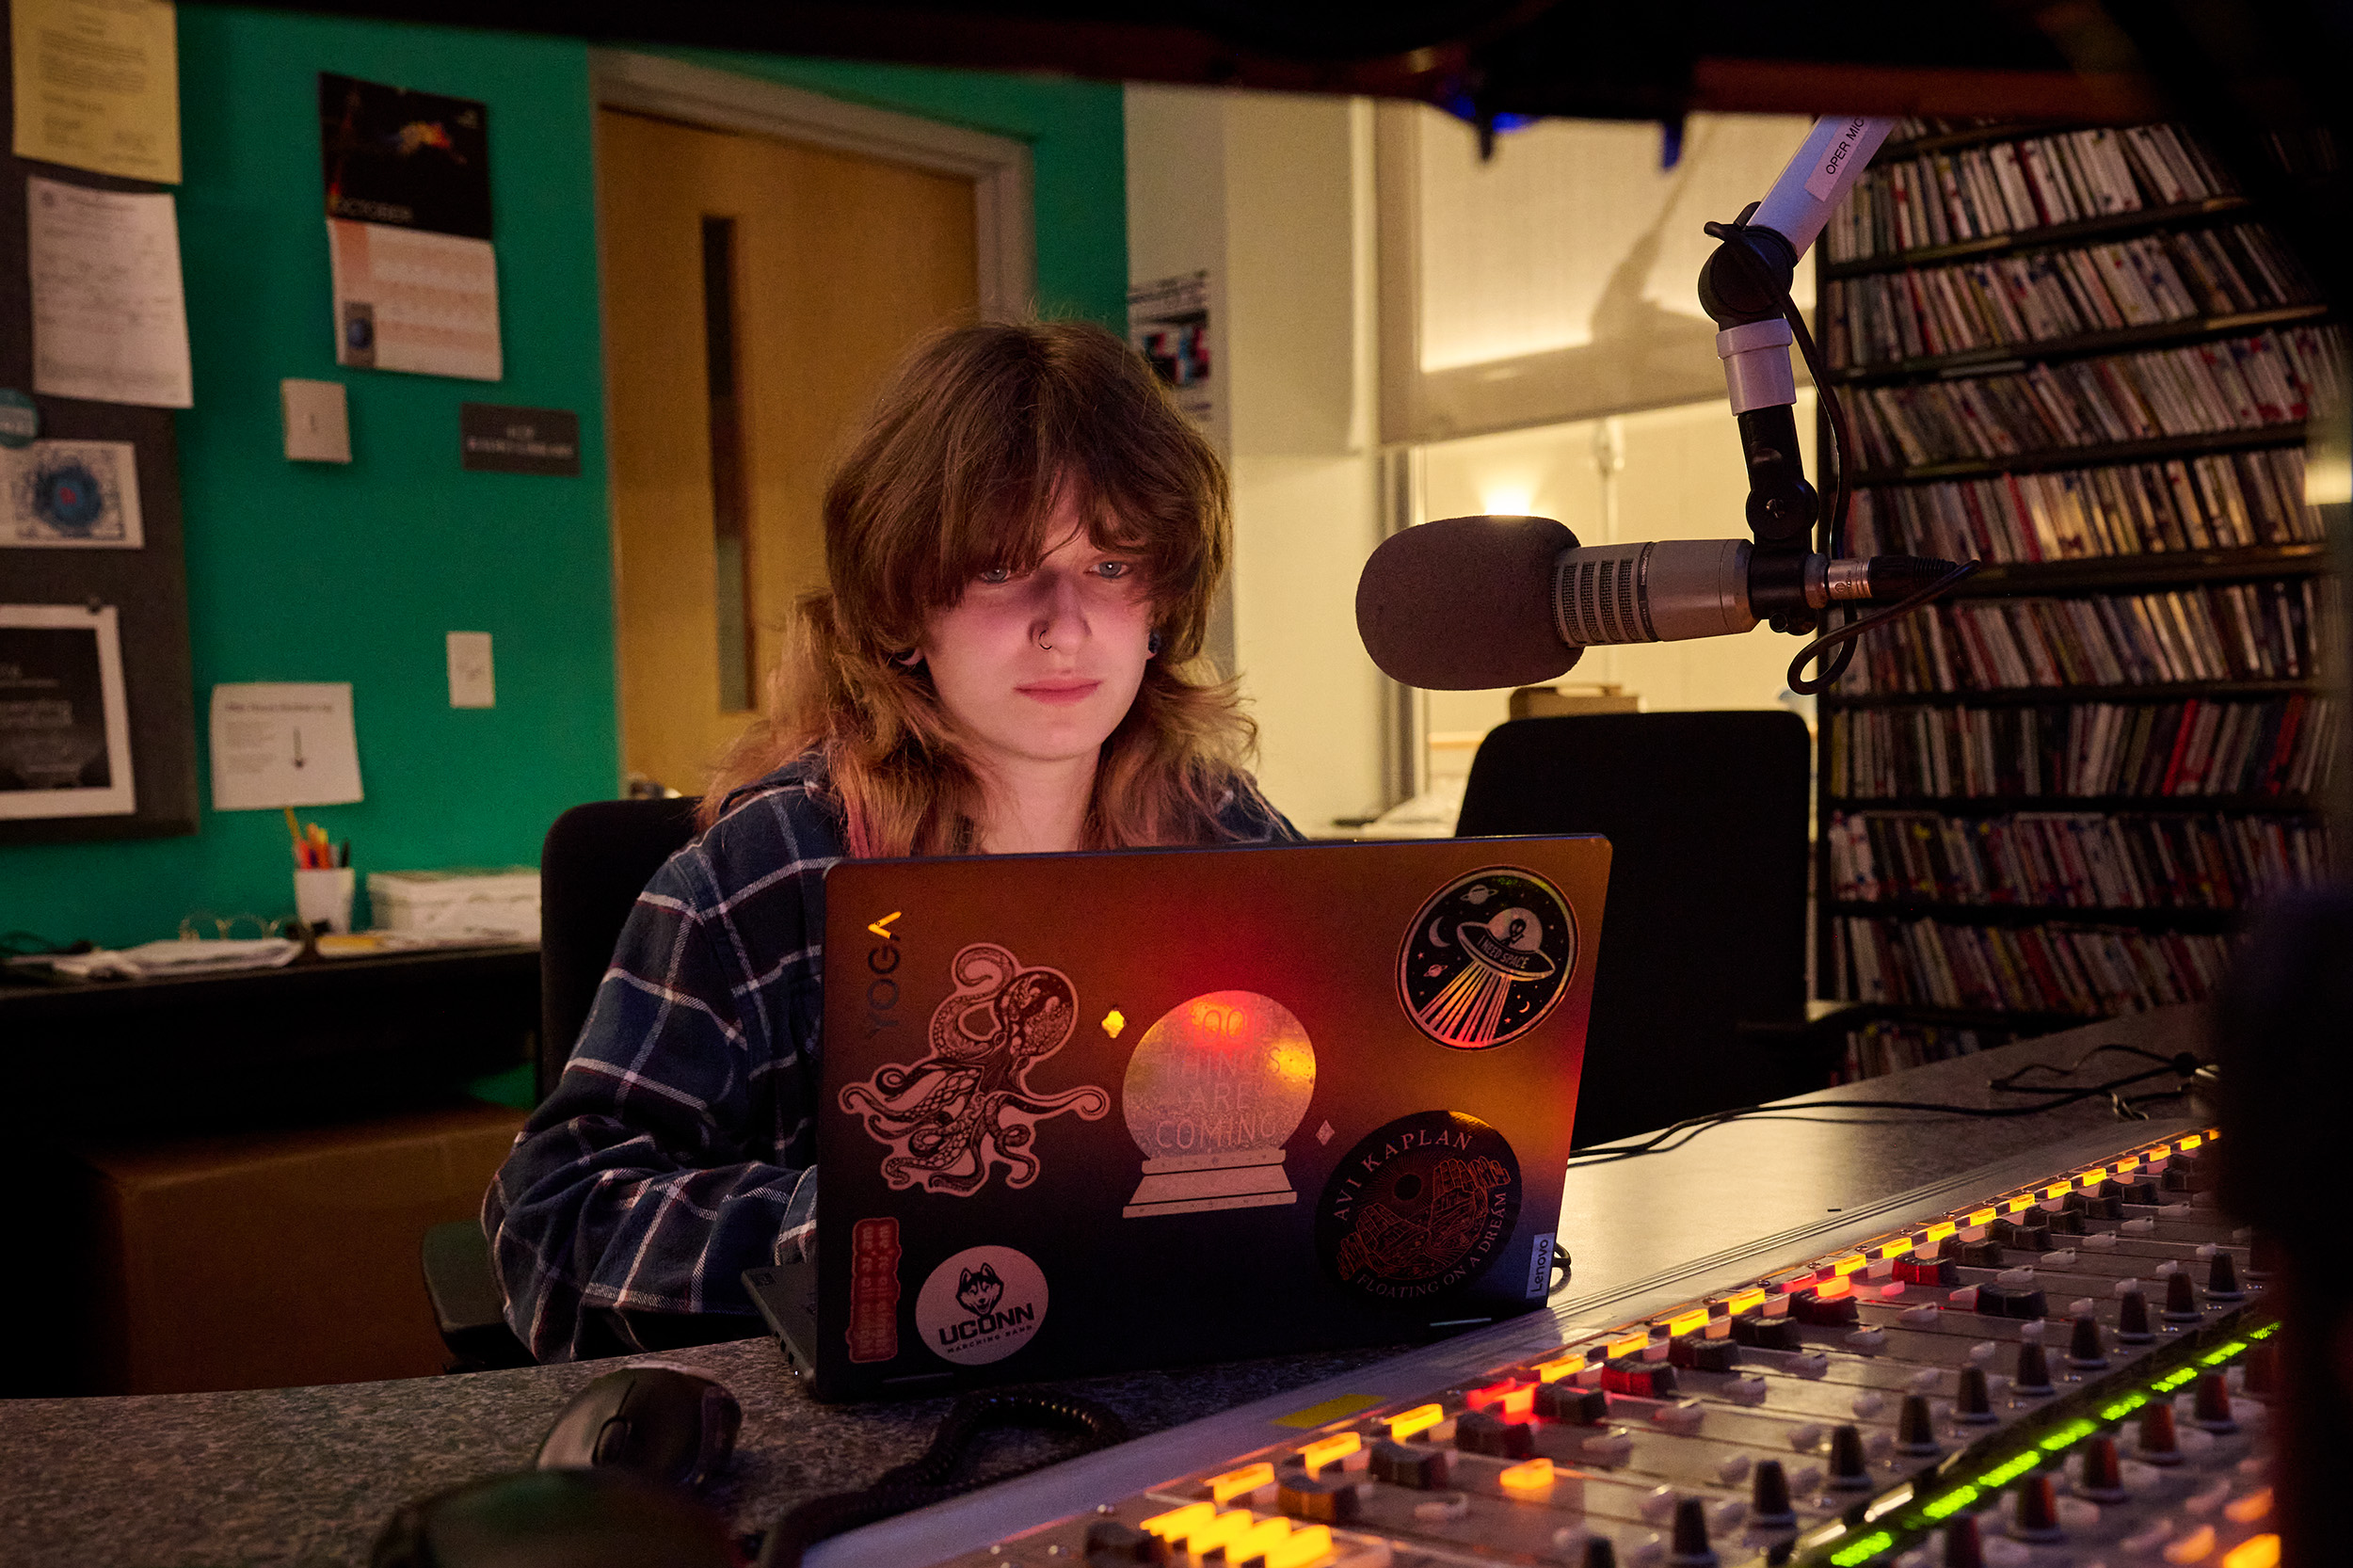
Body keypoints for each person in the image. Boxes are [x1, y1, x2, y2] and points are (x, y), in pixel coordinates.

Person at [485, 319, 1302, 1360]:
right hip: (871, 1435)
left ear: (1164, 600)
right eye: (1004, 570)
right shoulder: (767, 870)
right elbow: (549, 1223)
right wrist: (862, 1225)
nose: (1065, 624)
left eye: (1109, 562)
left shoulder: (1225, 832)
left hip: (1178, 1392)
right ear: (901, 608)